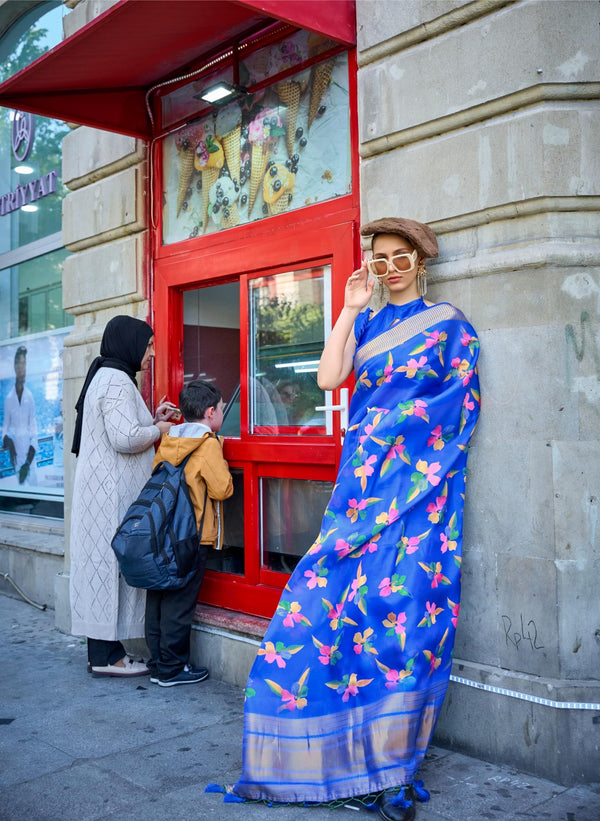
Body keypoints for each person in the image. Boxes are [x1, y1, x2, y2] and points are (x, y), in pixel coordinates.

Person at [224, 218, 481, 821]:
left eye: (400, 258)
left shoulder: (449, 327)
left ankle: (388, 768)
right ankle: (316, 753)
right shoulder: (366, 321)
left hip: (419, 499)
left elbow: (459, 409)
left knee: (404, 620)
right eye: (380, 258)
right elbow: (328, 378)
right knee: (327, 607)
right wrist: (346, 309)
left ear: (421, 263)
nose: (389, 268)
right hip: (358, 497)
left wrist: (395, 439)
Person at [70, 315, 175, 677]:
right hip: (109, 498)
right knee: (108, 568)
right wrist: (159, 429)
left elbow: (123, 427)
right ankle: (107, 658)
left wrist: (153, 417)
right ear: (129, 343)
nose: (151, 352)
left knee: (102, 568)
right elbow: (125, 438)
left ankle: (102, 652)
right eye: (147, 345)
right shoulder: (116, 380)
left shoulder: (110, 375)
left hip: (103, 494)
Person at [145, 379, 233, 687]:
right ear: (211, 413)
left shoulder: (170, 439)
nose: (221, 413)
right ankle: (172, 668)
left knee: (158, 597)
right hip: (192, 535)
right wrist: (219, 450)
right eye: (221, 409)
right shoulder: (208, 444)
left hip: (165, 533)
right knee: (180, 603)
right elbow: (222, 489)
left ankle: (157, 662)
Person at [2, 346, 37, 485]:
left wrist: (27, 463)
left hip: (30, 461)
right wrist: (7, 441)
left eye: (24, 364)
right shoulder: (9, 398)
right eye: (19, 364)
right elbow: (5, 427)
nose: (21, 367)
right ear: (14, 366)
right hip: (16, 459)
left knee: (35, 494)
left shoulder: (30, 397)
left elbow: (34, 433)